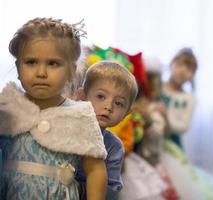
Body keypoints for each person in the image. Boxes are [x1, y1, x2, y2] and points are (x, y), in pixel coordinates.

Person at [0, 18, 107, 200]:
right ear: (18, 67)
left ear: (71, 71)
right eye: (31, 62)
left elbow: (95, 170)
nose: (41, 72)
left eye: (53, 64)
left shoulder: (79, 115)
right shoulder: (7, 108)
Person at [74, 61, 138, 200]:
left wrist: (80, 190)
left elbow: (112, 187)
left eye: (119, 103)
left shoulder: (114, 147)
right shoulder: (65, 126)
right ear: (81, 96)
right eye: (101, 97)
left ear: (126, 113)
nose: (108, 107)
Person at [161, 47, 198, 148]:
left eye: (189, 69)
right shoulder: (156, 87)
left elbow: (183, 127)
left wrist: (165, 117)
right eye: (180, 65)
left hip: (172, 146)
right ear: (171, 64)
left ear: (192, 75)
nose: (182, 70)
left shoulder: (188, 99)